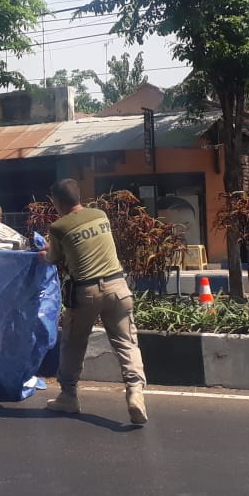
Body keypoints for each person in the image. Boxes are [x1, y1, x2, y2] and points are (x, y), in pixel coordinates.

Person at [38, 178, 148, 424]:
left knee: (73, 345)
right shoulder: (100, 215)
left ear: (57, 202)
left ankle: (68, 397)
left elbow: (53, 258)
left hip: (86, 292)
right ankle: (135, 392)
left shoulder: (58, 227)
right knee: (127, 343)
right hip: (118, 287)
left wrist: (42, 255)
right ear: (79, 196)